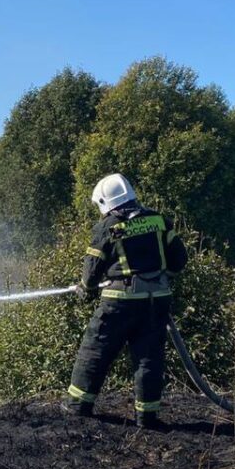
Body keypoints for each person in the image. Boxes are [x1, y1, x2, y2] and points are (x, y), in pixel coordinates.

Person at [63, 173, 188, 430]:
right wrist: (160, 280)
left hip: (119, 301)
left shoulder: (108, 226)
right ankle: (147, 417)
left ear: (104, 202)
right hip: (157, 300)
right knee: (149, 358)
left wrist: (85, 289)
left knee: (95, 349)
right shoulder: (158, 220)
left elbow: (92, 267)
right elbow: (180, 259)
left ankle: (77, 406)